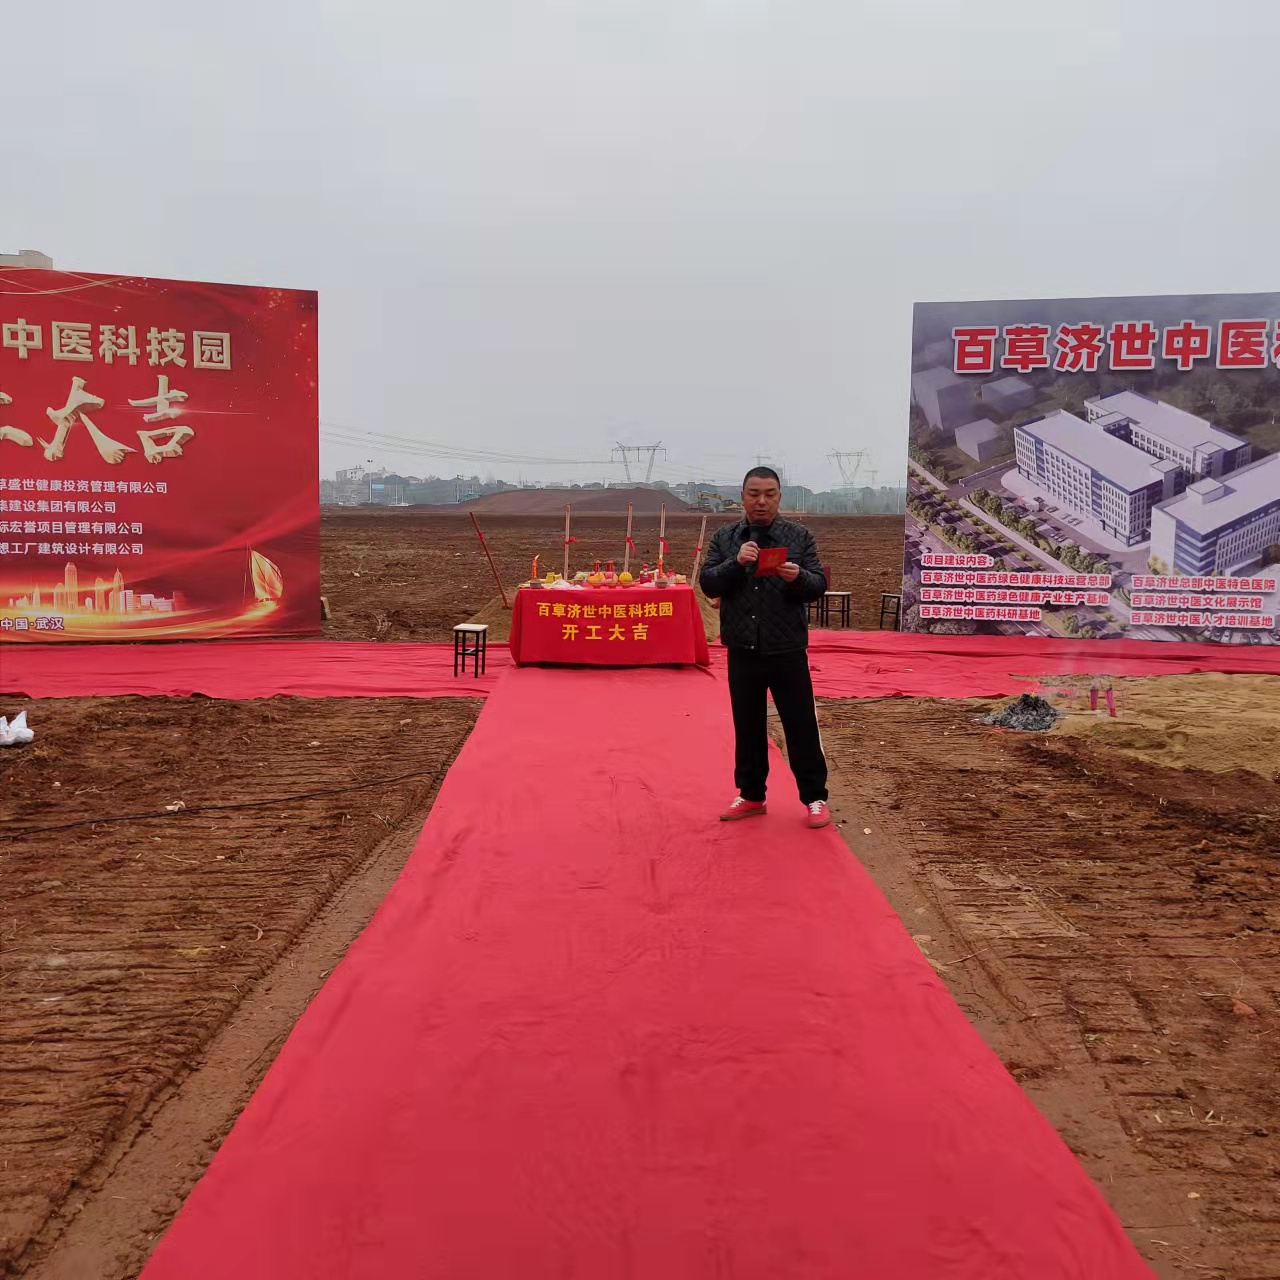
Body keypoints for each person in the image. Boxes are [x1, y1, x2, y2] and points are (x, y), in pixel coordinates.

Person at [699, 467, 830, 829]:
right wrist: (735, 562)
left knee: (800, 724)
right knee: (748, 725)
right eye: (754, 494)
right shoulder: (726, 538)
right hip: (742, 648)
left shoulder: (799, 536)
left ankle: (814, 797)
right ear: (742, 497)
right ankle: (752, 794)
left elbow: (817, 584)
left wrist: (798, 577)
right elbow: (708, 583)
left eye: (769, 494)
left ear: (779, 497)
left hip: (787, 648)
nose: (761, 501)